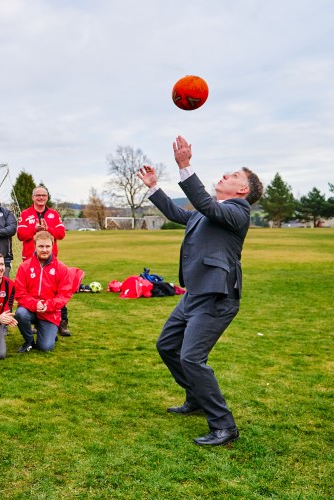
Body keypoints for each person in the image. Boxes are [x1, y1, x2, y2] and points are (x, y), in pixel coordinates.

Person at [137, 135, 263, 447]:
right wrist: (153, 186)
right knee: (167, 346)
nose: (225, 175)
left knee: (192, 358)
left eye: (233, 176)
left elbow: (205, 204)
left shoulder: (237, 212)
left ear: (243, 190)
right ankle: (195, 397)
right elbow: (177, 213)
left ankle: (224, 426)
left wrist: (184, 165)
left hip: (217, 298)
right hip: (194, 295)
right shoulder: (209, 213)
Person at [14, 231, 82, 353]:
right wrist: (34, 304)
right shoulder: (24, 267)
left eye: (47, 246)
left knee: (45, 347)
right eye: (41, 246)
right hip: (31, 310)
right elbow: (19, 292)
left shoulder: (61, 268)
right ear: (35, 246)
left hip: (50, 313)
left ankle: (48, 331)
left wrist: (48, 305)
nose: (44, 250)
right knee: (20, 313)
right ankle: (29, 341)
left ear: (52, 246)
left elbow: (64, 294)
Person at [16, 185, 71, 336]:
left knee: (55, 290)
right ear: (33, 197)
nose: (41, 198)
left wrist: (47, 230)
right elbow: (20, 234)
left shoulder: (53, 214)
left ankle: (62, 322)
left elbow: (61, 233)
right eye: (38, 195)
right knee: (29, 292)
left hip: (50, 258)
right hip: (30, 258)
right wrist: (35, 229)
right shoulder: (26, 214)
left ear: (47, 197)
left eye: (44, 195)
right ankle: (32, 322)